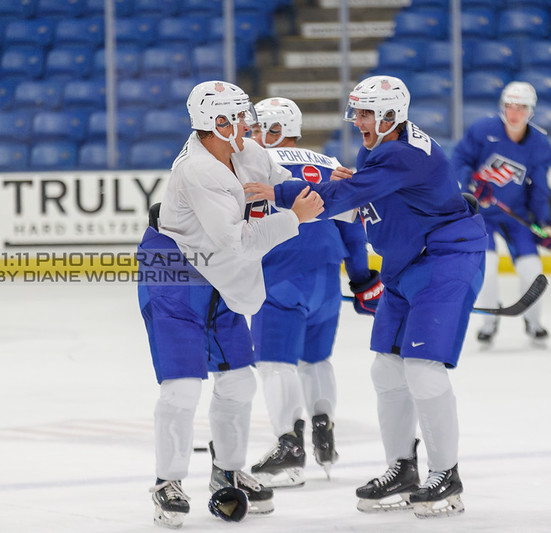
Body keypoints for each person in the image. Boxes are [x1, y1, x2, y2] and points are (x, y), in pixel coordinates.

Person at [244, 76, 488, 519]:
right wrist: (364, 272)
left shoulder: (401, 152)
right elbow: (369, 203)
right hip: (408, 264)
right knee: (386, 369)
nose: (357, 121)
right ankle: (403, 469)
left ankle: (446, 474)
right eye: (356, 112)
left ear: (391, 114)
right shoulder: (377, 150)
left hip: (444, 260)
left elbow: (347, 196)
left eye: (364, 113)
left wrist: (278, 193)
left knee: (422, 368)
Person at [136, 80, 324, 529]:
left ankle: (227, 469)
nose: (249, 124)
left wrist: (350, 191)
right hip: (177, 274)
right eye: (238, 118)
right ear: (215, 124)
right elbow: (236, 243)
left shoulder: (246, 152)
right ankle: (168, 481)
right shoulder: (199, 170)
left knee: (239, 381)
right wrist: (295, 219)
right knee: (182, 387)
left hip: (217, 274)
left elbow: (288, 184)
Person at [246, 97, 381, 488]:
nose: (251, 135)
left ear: (274, 130)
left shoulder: (253, 166)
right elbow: (353, 229)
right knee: (316, 361)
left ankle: (289, 445)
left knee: (275, 364)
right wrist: (362, 281)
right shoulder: (330, 166)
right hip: (326, 276)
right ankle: (324, 427)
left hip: (280, 275)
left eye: (257, 128)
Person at [449, 81, 551, 347]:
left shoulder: (540, 145)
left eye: (521, 107)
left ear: (531, 112)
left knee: (532, 268)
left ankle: (533, 322)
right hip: (481, 214)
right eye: (509, 105)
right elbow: (459, 160)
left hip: (515, 214)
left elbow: (540, 188)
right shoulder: (483, 130)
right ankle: (489, 321)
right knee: (486, 264)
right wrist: (472, 183)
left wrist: (545, 224)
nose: (514, 112)